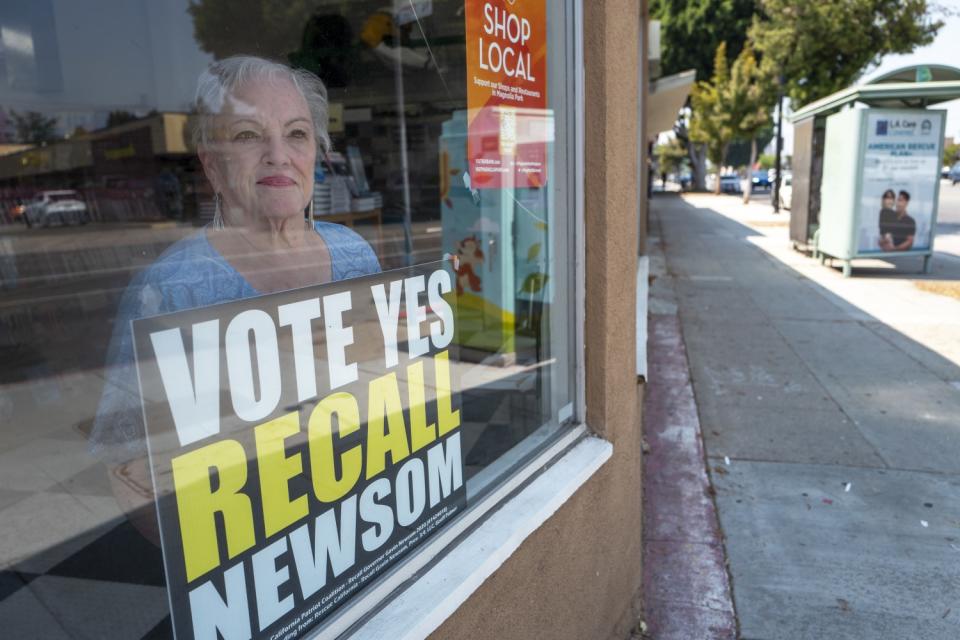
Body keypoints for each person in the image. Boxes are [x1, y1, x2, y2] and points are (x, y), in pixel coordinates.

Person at [89, 56, 381, 541]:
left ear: (316, 152)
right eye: (248, 135)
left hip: (361, 528)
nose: (278, 155)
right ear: (211, 163)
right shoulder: (172, 287)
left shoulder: (355, 254)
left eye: (297, 134)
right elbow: (128, 464)